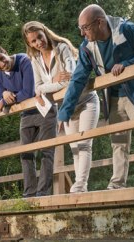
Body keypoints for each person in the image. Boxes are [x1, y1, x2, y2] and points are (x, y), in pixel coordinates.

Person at [57, 4, 134, 189]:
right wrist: (64, 113)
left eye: (85, 28)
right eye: (80, 29)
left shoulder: (126, 29)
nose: (82, 33)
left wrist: (126, 64)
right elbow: (78, 80)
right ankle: (117, 184)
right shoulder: (86, 48)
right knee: (118, 142)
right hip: (113, 97)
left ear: (100, 22)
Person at [22, 21, 100, 193]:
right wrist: (49, 84)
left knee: (85, 143)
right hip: (67, 108)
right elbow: (37, 86)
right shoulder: (35, 58)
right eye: (33, 41)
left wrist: (44, 87)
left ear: (45, 32)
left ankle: (80, 185)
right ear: (29, 44)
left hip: (86, 101)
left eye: (39, 37)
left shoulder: (62, 48)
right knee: (74, 147)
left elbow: (67, 82)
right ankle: (80, 186)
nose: (38, 43)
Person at [0, 42, 56, 198]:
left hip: (44, 109)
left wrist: (7, 98)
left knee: (46, 152)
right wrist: (4, 96)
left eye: (1, 58)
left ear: (4, 51)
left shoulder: (24, 60)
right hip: (26, 114)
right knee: (25, 154)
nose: (1, 64)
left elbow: (28, 92)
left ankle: (43, 194)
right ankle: (30, 194)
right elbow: (1, 100)